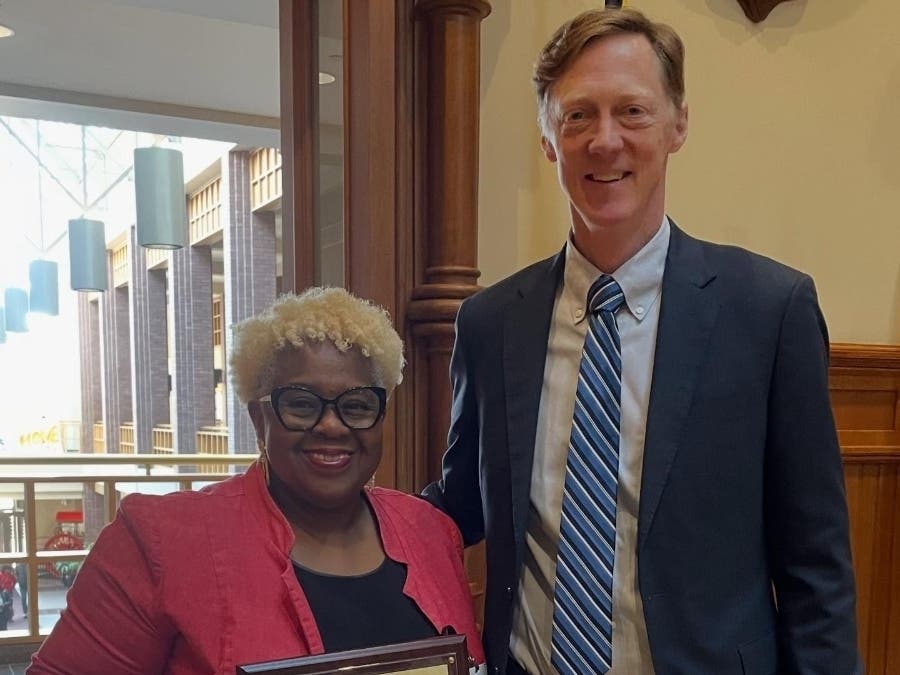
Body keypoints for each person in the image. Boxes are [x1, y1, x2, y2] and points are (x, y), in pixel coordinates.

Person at [423, 7, 860, 675]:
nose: (605, 140)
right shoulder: (490, 325)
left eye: (632, 111)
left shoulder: (770, 312)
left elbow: (816, 571)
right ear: (547, 137)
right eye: (578, 115)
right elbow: (459, 506)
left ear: (678, 123)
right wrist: (325, 501)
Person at [30, 287, 485, 674]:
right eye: (302, 404)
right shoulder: (161, 541)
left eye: (358, 404)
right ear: (258, 416)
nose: (332, 426)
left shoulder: (431, 532)